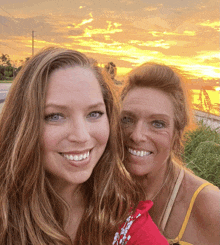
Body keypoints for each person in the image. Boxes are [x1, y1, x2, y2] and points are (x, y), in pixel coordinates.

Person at [0, 48, 168, 245]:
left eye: (94, 114)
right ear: (22, 125)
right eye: (55, 116)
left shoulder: (125, 225)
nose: (81, 136)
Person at [120, 62, 220, 245]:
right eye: (127, 119)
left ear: (177, 134)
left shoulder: (210, 207)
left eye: (157, 123)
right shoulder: (99, 188)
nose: (137, 135)